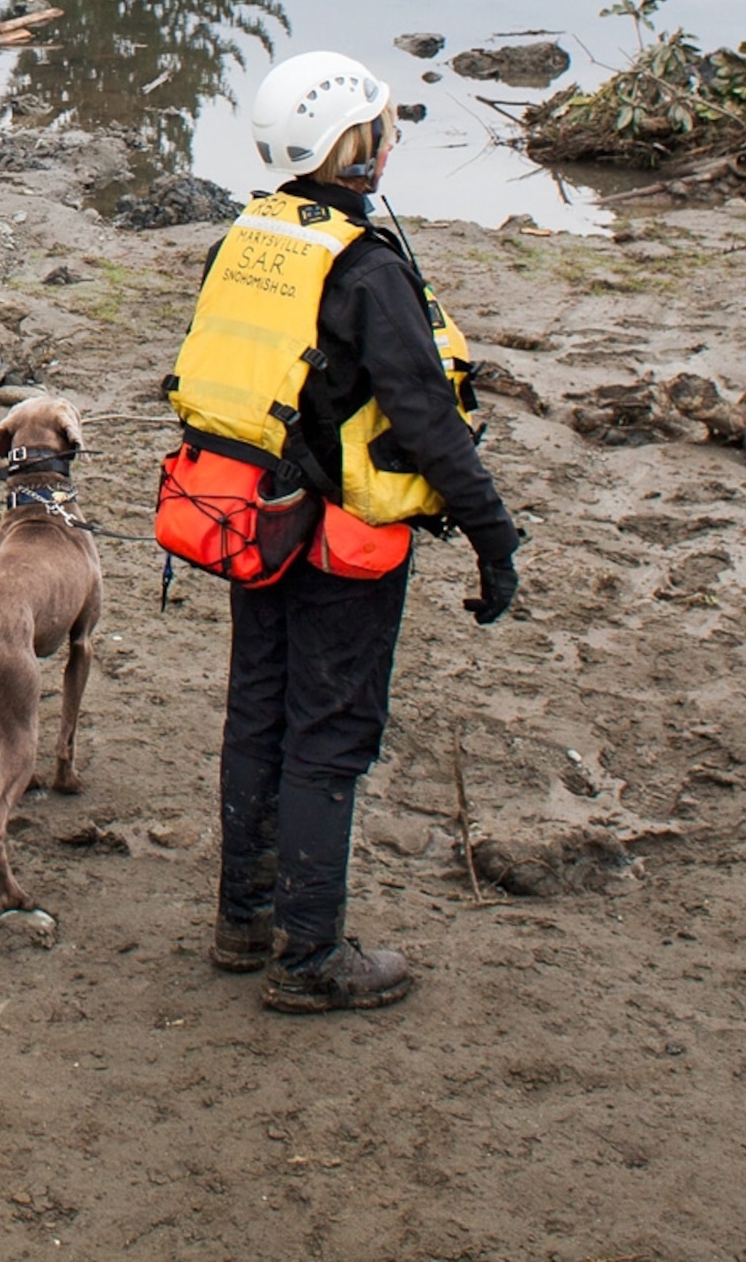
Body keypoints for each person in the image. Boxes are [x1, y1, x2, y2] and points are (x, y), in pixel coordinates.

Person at [166, 50, 522, 1012]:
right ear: (356, 147)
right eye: (381, 129)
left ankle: (244, 921)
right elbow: (429, 421)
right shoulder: (365, 269)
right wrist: (494, 540)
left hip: (258, 524)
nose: (389, 143)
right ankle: (310, 958)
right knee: (330, 733)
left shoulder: (247, 238)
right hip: (343, 545)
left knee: (259, 713)